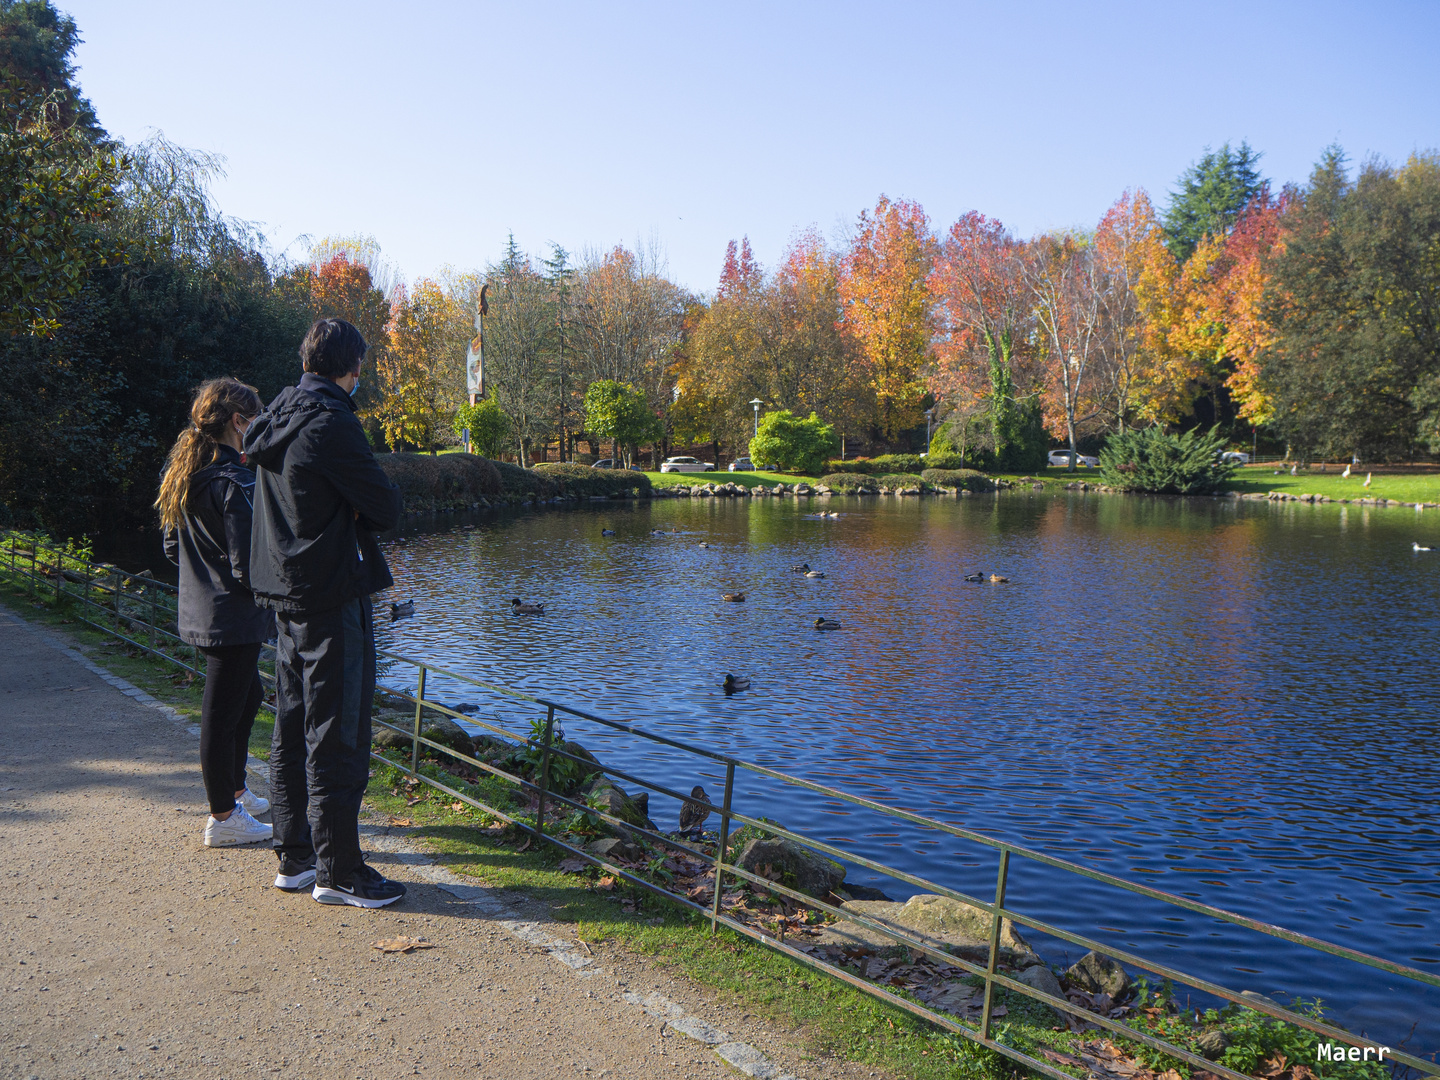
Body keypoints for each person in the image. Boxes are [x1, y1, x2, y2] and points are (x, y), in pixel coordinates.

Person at [243, 318, 405, 907]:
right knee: (338, 730)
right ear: (350, 366)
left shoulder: (278, 416)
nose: (362, 374)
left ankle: (296, 856)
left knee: (292, 725)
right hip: (332, 593)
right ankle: (340, 870)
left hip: (286, 593)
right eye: (360, 365)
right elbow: (385, 506)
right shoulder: (333, 422)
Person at [157, 377, 274, 848]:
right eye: (255, 418)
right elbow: (250, 565)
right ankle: (223, 817)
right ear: (237, 421)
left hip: (207, 611)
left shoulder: (189, 475)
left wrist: (205, 574)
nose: (260, 426)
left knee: (246, 700)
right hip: (234, 617)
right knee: (221, 713)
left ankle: (235, 790)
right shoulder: (235, 481)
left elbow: (170, 548)